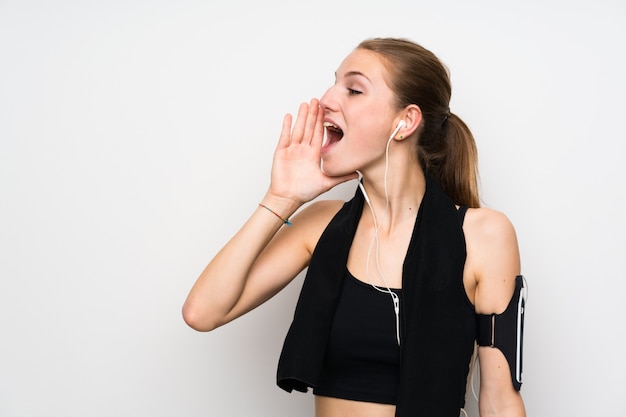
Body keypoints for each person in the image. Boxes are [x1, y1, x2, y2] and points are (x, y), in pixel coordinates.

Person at [183, 37, 526, 417]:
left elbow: (500, 401)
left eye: (353, 89)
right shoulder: (320, 225)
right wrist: (282, 198)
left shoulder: (483, 235)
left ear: (405, 121)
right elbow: (203, 312)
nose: (327, 99)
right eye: (333, 84)